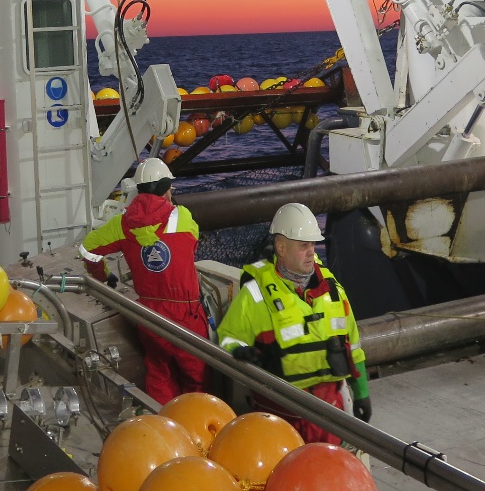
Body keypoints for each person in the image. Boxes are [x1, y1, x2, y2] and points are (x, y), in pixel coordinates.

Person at [216, 202, 369, 445]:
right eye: (303, 245)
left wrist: (361, 394)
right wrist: (239, 351)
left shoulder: (333, 290)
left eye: (313, 244)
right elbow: (226, 337)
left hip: (329, 417)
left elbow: (354, 346)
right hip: (279, 423)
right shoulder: (256, 295)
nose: (312, 251)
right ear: (281, 247)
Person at [80, 157, 209, 403]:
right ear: (163, 188)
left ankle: (164, 427)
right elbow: (192, 244)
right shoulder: (182, 217)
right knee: (197, 379)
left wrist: (103, 275)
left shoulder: (122, 224)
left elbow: (88, 249)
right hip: (187, 314)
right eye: (170, 186)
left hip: (150, 315)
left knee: (159, 375)